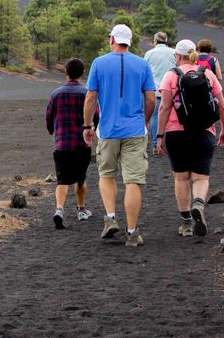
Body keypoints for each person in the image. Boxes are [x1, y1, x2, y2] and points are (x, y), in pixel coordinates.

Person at [83, 24, 156, 247]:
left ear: (112, 39)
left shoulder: (99, 63)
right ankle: (132, 232)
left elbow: (90, 97)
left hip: (108, 130)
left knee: (107, 174)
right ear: (130, 41)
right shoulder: (142, 64)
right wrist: (143, 122)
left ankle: (111, 218)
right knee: (133, 180)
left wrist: (87, 126)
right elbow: (151, 99)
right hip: (135, 130)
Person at [155, 39, 224, 237]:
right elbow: (222, 106)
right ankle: (198, 204)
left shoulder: (171, 75)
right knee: (201, 177)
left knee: (181, 177)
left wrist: (159, 135)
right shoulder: (208, 74)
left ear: (177, 56)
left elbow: (164, 108)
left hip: (176, 133)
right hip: (205, 132)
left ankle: (187, 222)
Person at [45, 58, 98, 229]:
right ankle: (81, 210)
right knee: (80, 179)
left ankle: (59, 209)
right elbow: (96, 115)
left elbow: (49, 116)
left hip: (62, 144)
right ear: (83, 73)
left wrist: (52, 131)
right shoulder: (86, 94)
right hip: (82, 144)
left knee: (62, 180)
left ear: (65, 73)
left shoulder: (56, 94)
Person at [144, 31, 176, 152]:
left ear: (155, 41)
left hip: (155, 90)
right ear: (166, 41)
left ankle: (155, 144)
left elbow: (145, 71)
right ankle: (170, 143)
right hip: (172, 91)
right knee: (172, 116)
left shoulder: (149, 53)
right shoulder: (173, 53)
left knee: (155, 117)